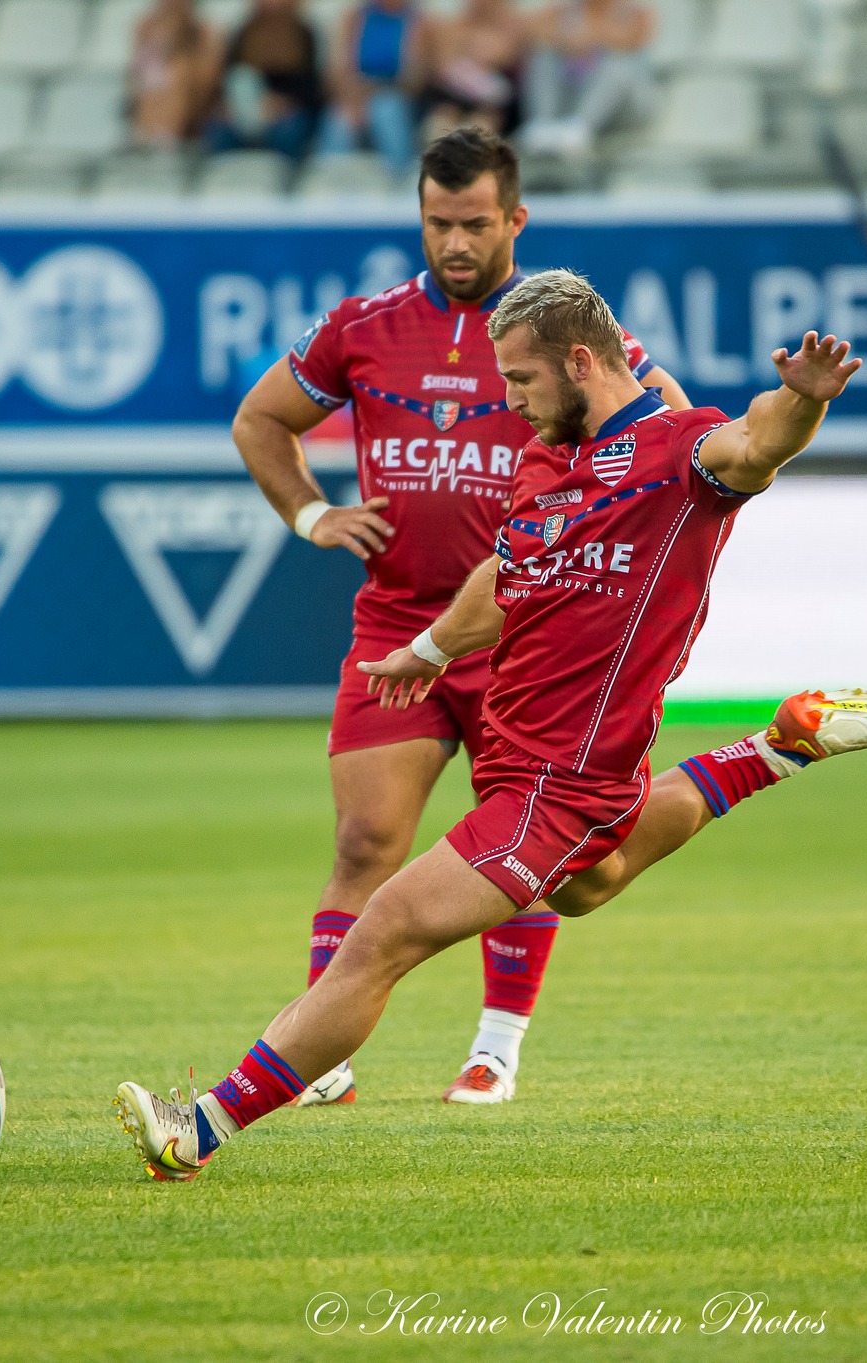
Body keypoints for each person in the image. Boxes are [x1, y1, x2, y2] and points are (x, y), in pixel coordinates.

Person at [114, 270, 867, 1180]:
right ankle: (778, 745)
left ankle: (200, 1128)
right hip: (540, 766)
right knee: (585, 886)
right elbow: (508, 577)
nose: (512, 402)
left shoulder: (681, 453)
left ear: (580, 361)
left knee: (384, 933)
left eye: (524, 382)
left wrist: (802, 404)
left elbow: (757, 444)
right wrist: (430, 647)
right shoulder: (545, 463)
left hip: (557, 781)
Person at [222, 129, 691, 1109]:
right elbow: (259, 418)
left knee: (520, 844)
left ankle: (494, 1051)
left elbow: (670, 439)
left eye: (475, 223)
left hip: (528, 635)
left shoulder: (561, 334)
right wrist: (311, 513)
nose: (456, 243)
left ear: (515, 218)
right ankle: (321, 1057)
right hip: (396, 620)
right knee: (364, 843)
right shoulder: (362, 324)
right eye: (438, 223)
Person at [517, 0, 657, 157]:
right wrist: (569, 40)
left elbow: (632, 40)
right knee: (544, 54)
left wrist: (589, 37)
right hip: (573, 98)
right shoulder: (561, 11)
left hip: (626, 107)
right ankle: (542, 123)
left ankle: (580, 127)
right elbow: (530, 30)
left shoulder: (637, 13)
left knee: (619, 61)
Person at [321, 0, 435, 171]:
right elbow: (336, 71)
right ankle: (329, 178)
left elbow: (414, 80)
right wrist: (353, 100)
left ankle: (399, 176)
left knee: (386, 110)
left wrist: (372, 93)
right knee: (340, 119)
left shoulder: (418, 21)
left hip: (395, 94)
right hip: (355, 93)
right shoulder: (354, 17)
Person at [207, 0, 324, 163]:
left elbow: (311, 87)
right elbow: (229, 77)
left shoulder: (303, 33)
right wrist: (229, 107)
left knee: (287, 132)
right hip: (246, 108)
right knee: (219, 130)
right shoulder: (244, 32)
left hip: (288, 109)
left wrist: (281, 105)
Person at [423, 0, 531, 139]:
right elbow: (443, 66)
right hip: (455, 99)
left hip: (494, 107)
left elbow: (501, 58)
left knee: (481, 126)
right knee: (439, 122)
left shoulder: (513, 28)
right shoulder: (455, 27)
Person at [130, 0, 223, 145]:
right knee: (155, 83)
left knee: (177, 74)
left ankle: (163, 134)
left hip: (194, 103)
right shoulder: (147, 28)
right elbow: (139, 73)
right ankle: (149, 134)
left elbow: (208, 80)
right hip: (154, 99)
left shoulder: (204, 32)